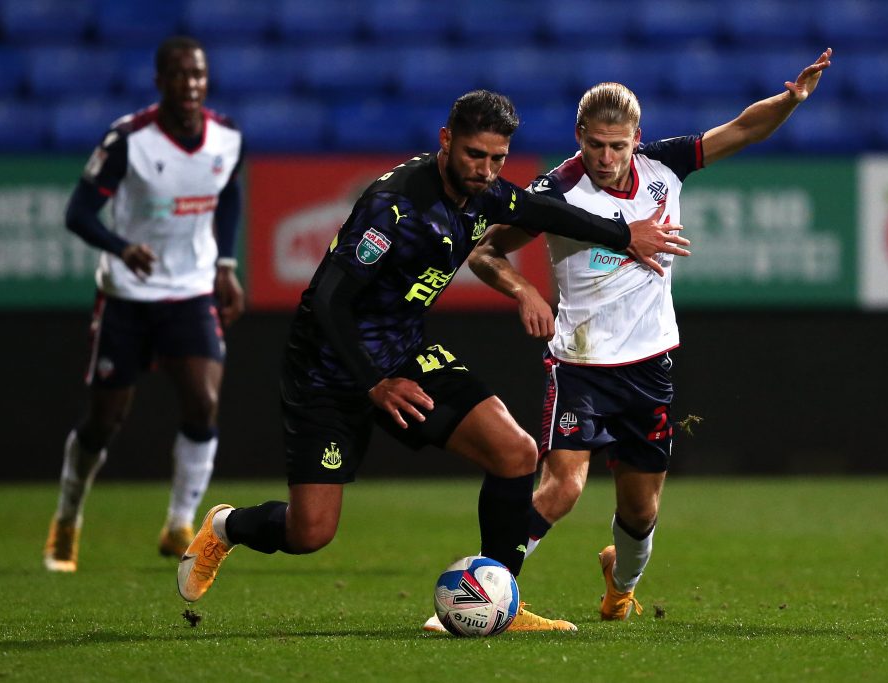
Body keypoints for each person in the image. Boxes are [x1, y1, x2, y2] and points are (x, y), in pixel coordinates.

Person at [177, 90, 688, 632]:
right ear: (446, 141)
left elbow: (543, 211)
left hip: (404, 351)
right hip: (329, 369)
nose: (485, 170)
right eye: (474, 155)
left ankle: (501, 600)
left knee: (516, 453)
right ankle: (227, 526)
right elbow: (327, 301)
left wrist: (624, 234)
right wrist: (374, 382)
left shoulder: (485, 192)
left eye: (497, 159)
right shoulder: (393, 206)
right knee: (310, 532)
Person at [466, 49, 833, 621]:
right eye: (595, 145)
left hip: (648, 367)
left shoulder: (664, 168)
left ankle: (620, 588)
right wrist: (525, 292)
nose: (606, 158)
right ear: (579, 136)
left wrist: (792, 100)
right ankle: (482, 595)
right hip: (580, 364)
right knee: (563, 487)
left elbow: (743, 129)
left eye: (618, 146)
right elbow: (484, 252)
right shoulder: (555, 193)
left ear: (637, 139)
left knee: (640, 512)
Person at [43, 36, 245, 572]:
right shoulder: (129, 140)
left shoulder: (226, 137)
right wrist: (121, 248)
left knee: (203, 403)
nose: (190, 84)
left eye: (198, 74)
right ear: (160, 82)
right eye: (179, 74)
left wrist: (226, 264)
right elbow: (78, 213)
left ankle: (179, 523)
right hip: (128, 297)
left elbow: (229, 193)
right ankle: (67, 517)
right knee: (104, 420)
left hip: (191, 291)